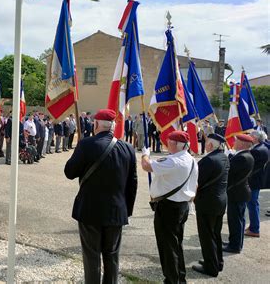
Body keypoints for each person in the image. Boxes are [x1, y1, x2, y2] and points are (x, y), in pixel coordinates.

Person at [64, 109, 137, 283]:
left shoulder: (86, 144)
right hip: (116, 211)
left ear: (96, 124)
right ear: (113, 127)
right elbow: (132, 184)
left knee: (92, 257)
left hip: (90, 210)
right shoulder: (128, 148)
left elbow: (69, 172)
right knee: (112, 257)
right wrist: (126, 210)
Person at [141, 131, 198, 284]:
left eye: (169, 141)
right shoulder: (191, 160)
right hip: (182, 205)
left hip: (168, 207)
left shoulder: (173, 160)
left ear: (174, 144)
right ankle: (180, 277)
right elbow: (195, 185)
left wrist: (144, 154)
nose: (166, 143)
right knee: (175, 244)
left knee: (167, 247)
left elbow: (146, 166)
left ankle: (172, 280)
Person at [192, 133, 229, 277]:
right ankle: (217, 261)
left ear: (210, 145)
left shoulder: (208, 161)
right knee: (215, 234)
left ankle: (211, 267)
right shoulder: (224, 157)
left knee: (207, 236)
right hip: (220, 201)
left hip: (207, 203)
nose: (205, 144)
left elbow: (197, 182)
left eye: (207, 142)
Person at [224, 133, 254, 253]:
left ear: (242, 144)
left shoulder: (242, 157)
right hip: (241, 192)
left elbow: (229, 172)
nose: (234, 143)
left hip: (237, 193)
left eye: (236, 141)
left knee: (235, 220)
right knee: (239, 220)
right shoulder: (246, 155)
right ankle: (235, 242)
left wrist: (228, 158)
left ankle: (235, 246)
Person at [244, 130, 269, 238]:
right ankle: (254, 226)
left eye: (250, 136)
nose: (249, 137)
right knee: (254, 204)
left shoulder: (257, 150)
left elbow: (250, 166)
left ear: (255, 138)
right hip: (256, 180)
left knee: (252, 204)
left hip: (253, 181)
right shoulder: (261, 147)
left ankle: (254, 229)